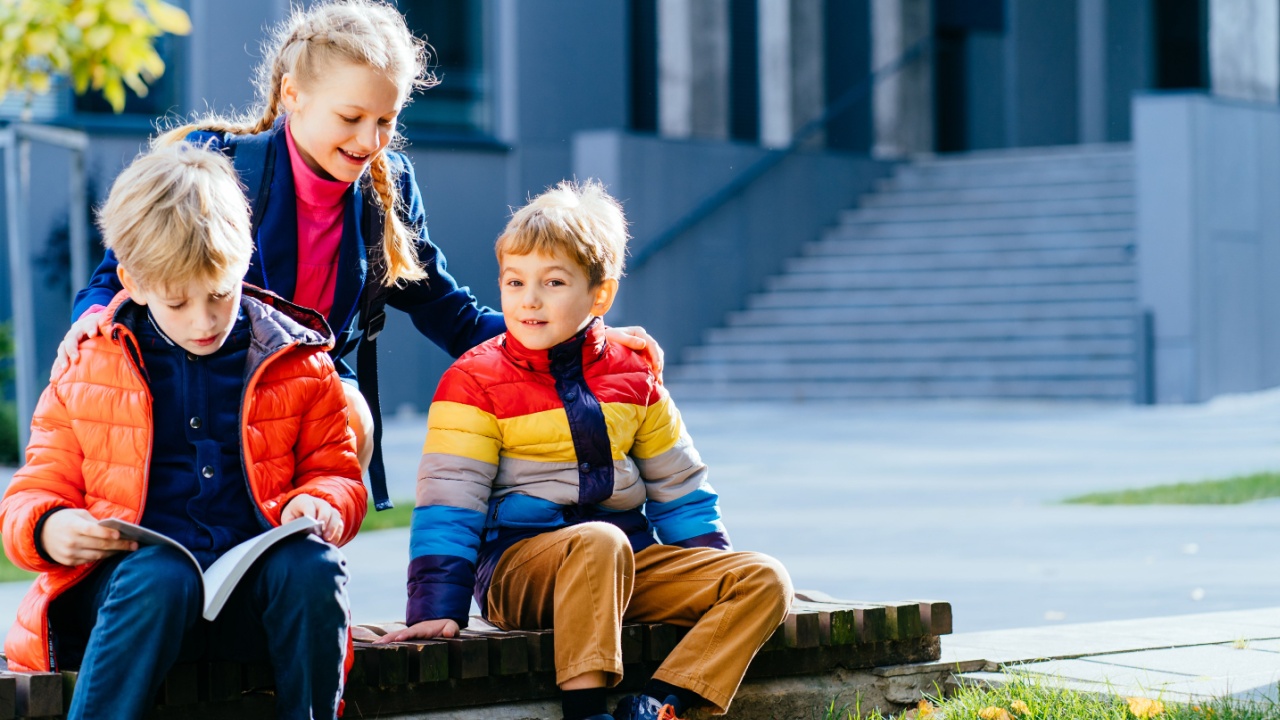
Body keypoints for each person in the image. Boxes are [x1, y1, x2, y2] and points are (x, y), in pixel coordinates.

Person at [55, 0, 663, 511]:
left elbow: (450, 313)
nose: (369, 141)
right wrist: (87, 325)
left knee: (351, 413)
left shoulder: (386, 190)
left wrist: (580, 340)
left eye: (385, 121)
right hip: (206, 366)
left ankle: (311, 563)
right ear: (293, 94)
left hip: (309, 385)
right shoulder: (220, 165)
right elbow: (120, 272)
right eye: (351, 117)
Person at [376, 181, 793, 720]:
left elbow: (680, 488)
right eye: (514, 281)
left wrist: (705, 574)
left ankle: (666, 704)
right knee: (598, 541)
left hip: (628, 563)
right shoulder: (473, 380)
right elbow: (450, 504)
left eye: (553, 282)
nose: (529, 299)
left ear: (599, 297)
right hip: (522, 573)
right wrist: (436, 607)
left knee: (762, 577)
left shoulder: (632, 374)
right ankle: (587, 710)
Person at [0, 143, 366, 719]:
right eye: (178, 301)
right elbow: (31, 492)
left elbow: (336, 474)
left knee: (311, 567)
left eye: (219, 295)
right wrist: (49, 529)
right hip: (130, 605)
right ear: (134, 282)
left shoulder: (298, 361)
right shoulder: (90, 363)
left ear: (245, 259)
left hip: (251, 605)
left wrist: (321, 505)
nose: (203, 320)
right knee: (159, 574)